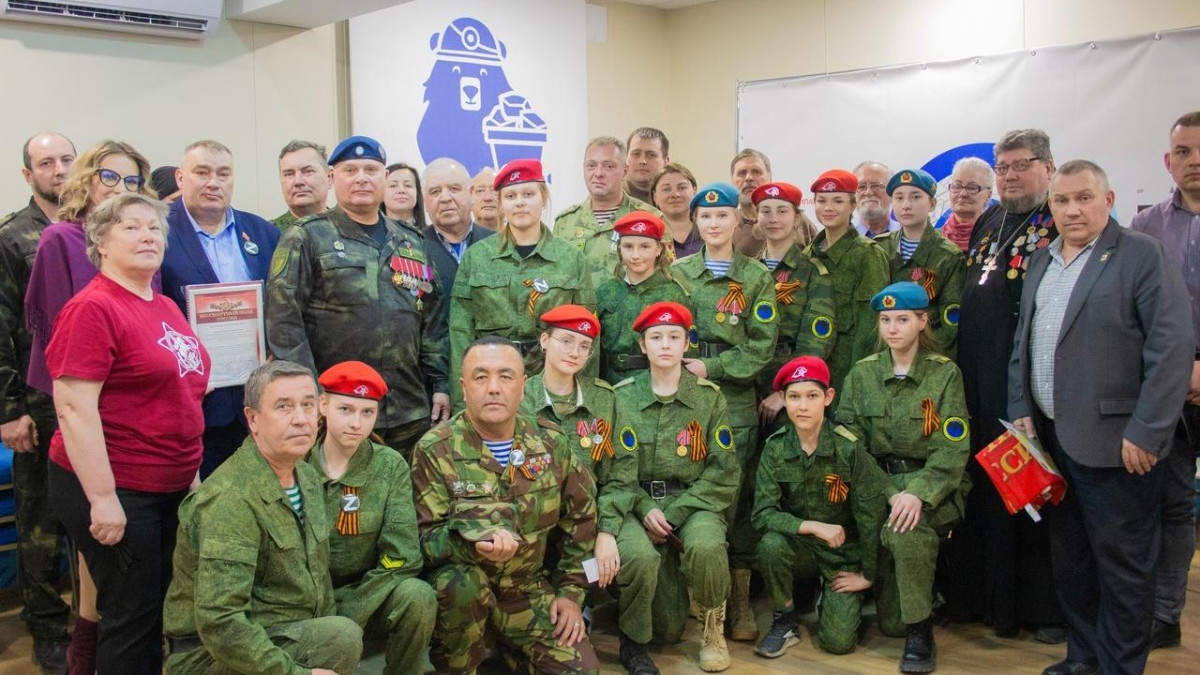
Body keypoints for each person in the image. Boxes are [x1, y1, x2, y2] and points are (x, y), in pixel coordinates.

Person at [1008, 160, 1193, 675]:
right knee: (1073, 564)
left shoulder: (1140, 255)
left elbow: (1172, 349)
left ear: (1108, 201)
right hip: (1051, 441)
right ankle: (1084, 660)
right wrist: (1021, 409)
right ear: (1051, 207)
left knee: (1124, 570)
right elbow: (1023, 343)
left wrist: (1149, 431)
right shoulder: (1043, 260)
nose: (1072, 210)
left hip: (1119, 443)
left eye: (1084, 198)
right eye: (1062, 200)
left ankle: (1119, 668)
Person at [48, 193, 210, 674]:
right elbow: (74, 408)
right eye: (132, 228)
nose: (147, 237)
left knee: (158, 606)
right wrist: (102, 498)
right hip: (118, 486)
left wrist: (190, 473)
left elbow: (182, 395)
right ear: (101, 242)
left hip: (168, 482)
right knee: (132, 617)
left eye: (154, 228)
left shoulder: (164, 305)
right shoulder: (92, 308)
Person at [23, 139, 155, 674]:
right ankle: (82, 652)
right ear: (86, 180)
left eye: (132, 181)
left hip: (132, 411)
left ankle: (90, 652)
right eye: (110, 177)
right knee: (95, 548)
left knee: (111, 567)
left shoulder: (141, 241)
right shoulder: (61, 239)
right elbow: (60, 337)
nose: (121, 188)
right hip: (79, 405)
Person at [412, 336, 600, 675]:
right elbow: (423, 541)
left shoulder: (551, 443)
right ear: (463, 387)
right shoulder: (434, 449)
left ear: (523, 386)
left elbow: (583, 521)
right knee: (462, 584)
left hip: (527, 590)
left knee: (582, 671)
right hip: (462, 597)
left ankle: (507, 651)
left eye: (505, 376)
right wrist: (473, 545)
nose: (494, 388)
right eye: (481, 377)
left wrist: (572, 594)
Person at [162, 360, 363, 675]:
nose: (300, 419)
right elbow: (221, 622)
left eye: (308, 405)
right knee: (340, 637)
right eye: (284, 407)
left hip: (279, 632)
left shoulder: (307, 477)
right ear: (252, 419)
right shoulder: (230, 499)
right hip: (210, 656)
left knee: (341, 629)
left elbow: (319, 581)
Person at [948, 128, 1064, 641]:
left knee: (1030, 493)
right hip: (975, 379)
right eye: (1003, 167)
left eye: (1022, 165)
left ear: (1048, 167)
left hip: (1024, 383)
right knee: (982, 487)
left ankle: (1039, 608)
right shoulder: (990, 219)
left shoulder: (1059, 220)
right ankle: (982, 599)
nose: (1010, 175)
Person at [267, 135, 450, 457]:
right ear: (332, 178)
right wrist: (309, 396)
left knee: (403, 487)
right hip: (338, 408)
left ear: (384, 177)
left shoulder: (411, 241)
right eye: (350, 170)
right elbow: (284, 324)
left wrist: (440, 385)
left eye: (371, 169)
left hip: (408, 409)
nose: (361, 178)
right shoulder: (307, 237)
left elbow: (432, 321)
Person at [837, 281, 971, 674]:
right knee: (887, 622)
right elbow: (849, 445)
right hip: (878, 487)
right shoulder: (862, 374)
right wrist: (890, 491)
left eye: (902, 319)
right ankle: (898, 595)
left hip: (933, 489)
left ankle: (920, 632)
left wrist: (917, 493)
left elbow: (952, 449)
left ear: (922, 321)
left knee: (906, 530)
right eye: (885, 320)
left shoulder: (944, 375)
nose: (892, 328)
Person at [671, 182, 777, 643]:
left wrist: (712, 366)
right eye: (706, 216)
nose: (714, 223)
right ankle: (698, 595)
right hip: (685, 397)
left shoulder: (755, 277)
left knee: (737, 497)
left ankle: (739, 600)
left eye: (722, 216)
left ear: (738, 220)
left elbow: (761, 345)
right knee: (693, 489)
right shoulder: (677, 273)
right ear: (696, 221)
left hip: (734, 400)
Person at [613, 301, 739, 673]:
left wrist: (675, 513)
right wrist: (643, 507)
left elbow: (723, 471)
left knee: (707, 544)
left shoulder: (709, 397)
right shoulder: (621, 397)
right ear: (643, 346)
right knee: (665, 632)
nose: (665, 344)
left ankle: (713, 630)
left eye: (674, 336)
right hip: (639, 503)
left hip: (693, 501)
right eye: (656, 337)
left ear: (687, 344)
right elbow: (613, 470)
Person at [753, 356, 892, 657]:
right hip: (801, 546)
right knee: (770, 545)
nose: (803, 406)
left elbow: (871, 517)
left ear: (828, 397)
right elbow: (762, 514)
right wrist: (812, 526)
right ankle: (785, 620)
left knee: (838, 644)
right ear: (782, 399)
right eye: (794, 397)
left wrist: (867, 575)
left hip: (842, 552)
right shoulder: (775, 449)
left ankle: (831, 598)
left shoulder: (848, 448)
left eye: (812, 396)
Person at [0, 130, 76, 674]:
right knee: (41, 522)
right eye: (47, 163)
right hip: (38, 400)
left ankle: (91, 618)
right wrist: (9, 411)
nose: (59, 170)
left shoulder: (93, 228)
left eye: (67, 159)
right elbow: (1, 329)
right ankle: (47, 625)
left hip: (90, 398)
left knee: (88, 516)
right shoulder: (12, 237)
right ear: (29, 175)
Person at [306, 361, 436, 675]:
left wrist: (352, 610)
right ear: (323, 405)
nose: (357, 423)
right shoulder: (297, 462)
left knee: (418, 596)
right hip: (306, 599)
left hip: (368, 592)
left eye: (368, 412)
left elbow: (402, 557)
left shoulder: (388, 466)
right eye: (346, 409)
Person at [162, 140, 281, 479]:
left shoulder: (263, 233)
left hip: (255, 398)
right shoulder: (159, 231)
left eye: (223, 174)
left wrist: (276, 349)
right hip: (195, 400)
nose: (213, 182)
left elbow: (282, 305)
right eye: (202, 173)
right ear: (181, 178)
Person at [1128, 110, 1200, 650]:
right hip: (1166, 388)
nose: (1194, 161)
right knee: (1173, 505)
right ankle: (1164, 613)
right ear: (1168, 161)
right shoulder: (1145, 227)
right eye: (1184, 152)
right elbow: (1131, 311)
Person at [449, 159, 595, 409]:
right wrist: (461, 401)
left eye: (528, 194)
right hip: (492, 385)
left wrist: (584, 399)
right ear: (501, 203)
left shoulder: (571, 259)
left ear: (543, 198)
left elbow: (588, 332)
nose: (519, 202)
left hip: (553, 386)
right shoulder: (477, 258)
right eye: (510, 196)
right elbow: (460, 332)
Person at [749, 182, 837, 431]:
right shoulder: (747, 270)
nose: (773, 219)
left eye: (782, 211)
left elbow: (817, 339)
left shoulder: (812, 272)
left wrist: (786, 390)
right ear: (757, 217)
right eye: (766, 211)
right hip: (747, 385)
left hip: (792, 390)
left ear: (797, 217)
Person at [804, 169, 890, 395]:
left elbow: (870, 327)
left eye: (838, 201)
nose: (828, 207)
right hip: (809, 368)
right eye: (822, 200)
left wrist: (859, 378)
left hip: (848, 371)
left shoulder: (868, 255)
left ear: (853, 205)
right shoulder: (807, 255)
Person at [875, 169, 967, 358]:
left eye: (915, 197)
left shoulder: (948, 256)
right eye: (899, 198)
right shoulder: (879, 248)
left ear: (932, 204)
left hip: (927, 355)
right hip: (882, 355)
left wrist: (927, 360)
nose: (906, 205)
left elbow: (950, 322)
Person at [596, 211, 692, 384]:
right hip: (609, 383)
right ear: (619, 249)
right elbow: (594, 347)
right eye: (628, 246)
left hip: (657, 381)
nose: (635, 255)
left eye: (644, 247)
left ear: (659, 249)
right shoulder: (605, 292)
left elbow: (687, 349)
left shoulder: (674, 293)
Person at [555, 136, 662, 283]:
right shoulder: (565, 222)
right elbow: (556, 278)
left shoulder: (651, 218)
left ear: (625, 170)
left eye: (608, 166)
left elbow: (665, 279)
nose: (598, 173)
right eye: (591, 165)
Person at [421, 158, 495, 326]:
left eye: (454, 189)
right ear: (425, 201)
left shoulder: (498, 244)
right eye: (435, 192)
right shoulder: (413, 248)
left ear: (471, 193)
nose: (445, 198)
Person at [272, 140, 331, 231]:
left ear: (329, 178)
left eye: (308, 171)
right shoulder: (266, 234)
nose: (298, 181)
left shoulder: (351, 230)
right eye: (289, 174)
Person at [940, 157, 994, 252]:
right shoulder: (934, 240)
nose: (962, 194)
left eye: (972, 188)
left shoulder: (997, 238)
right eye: (957, 186)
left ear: (988, 195)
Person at [651, 162, 702, 259]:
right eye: (666, 189)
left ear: (694, 191)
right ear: (655, 196)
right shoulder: (647, 236)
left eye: (682, 188)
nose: (675, 194)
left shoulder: (708, 232)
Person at [729, 149, 772, 257]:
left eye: (756, 172)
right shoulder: (723, 228)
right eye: (742, 173)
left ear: (770, 178)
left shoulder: (794, 223)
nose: (749, 178)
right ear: (732, 181)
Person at [853, 161, 900, 239]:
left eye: (876, 186)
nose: (868, 192)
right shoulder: (842, 239)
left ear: (892, 192)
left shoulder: (909, 235)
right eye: (861, 187)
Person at [625, 127, 670, 204]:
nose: (642, 161)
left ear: (665, 162)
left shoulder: (675, 197)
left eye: (651, 155)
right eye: (636, 154)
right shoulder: (611, 197)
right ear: (626, 158)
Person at [384, 162, 427, 230]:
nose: (401, 190)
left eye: (408, 185)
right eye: (393, 185)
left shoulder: (431, 235)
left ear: (417, 193)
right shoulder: (370, 235)